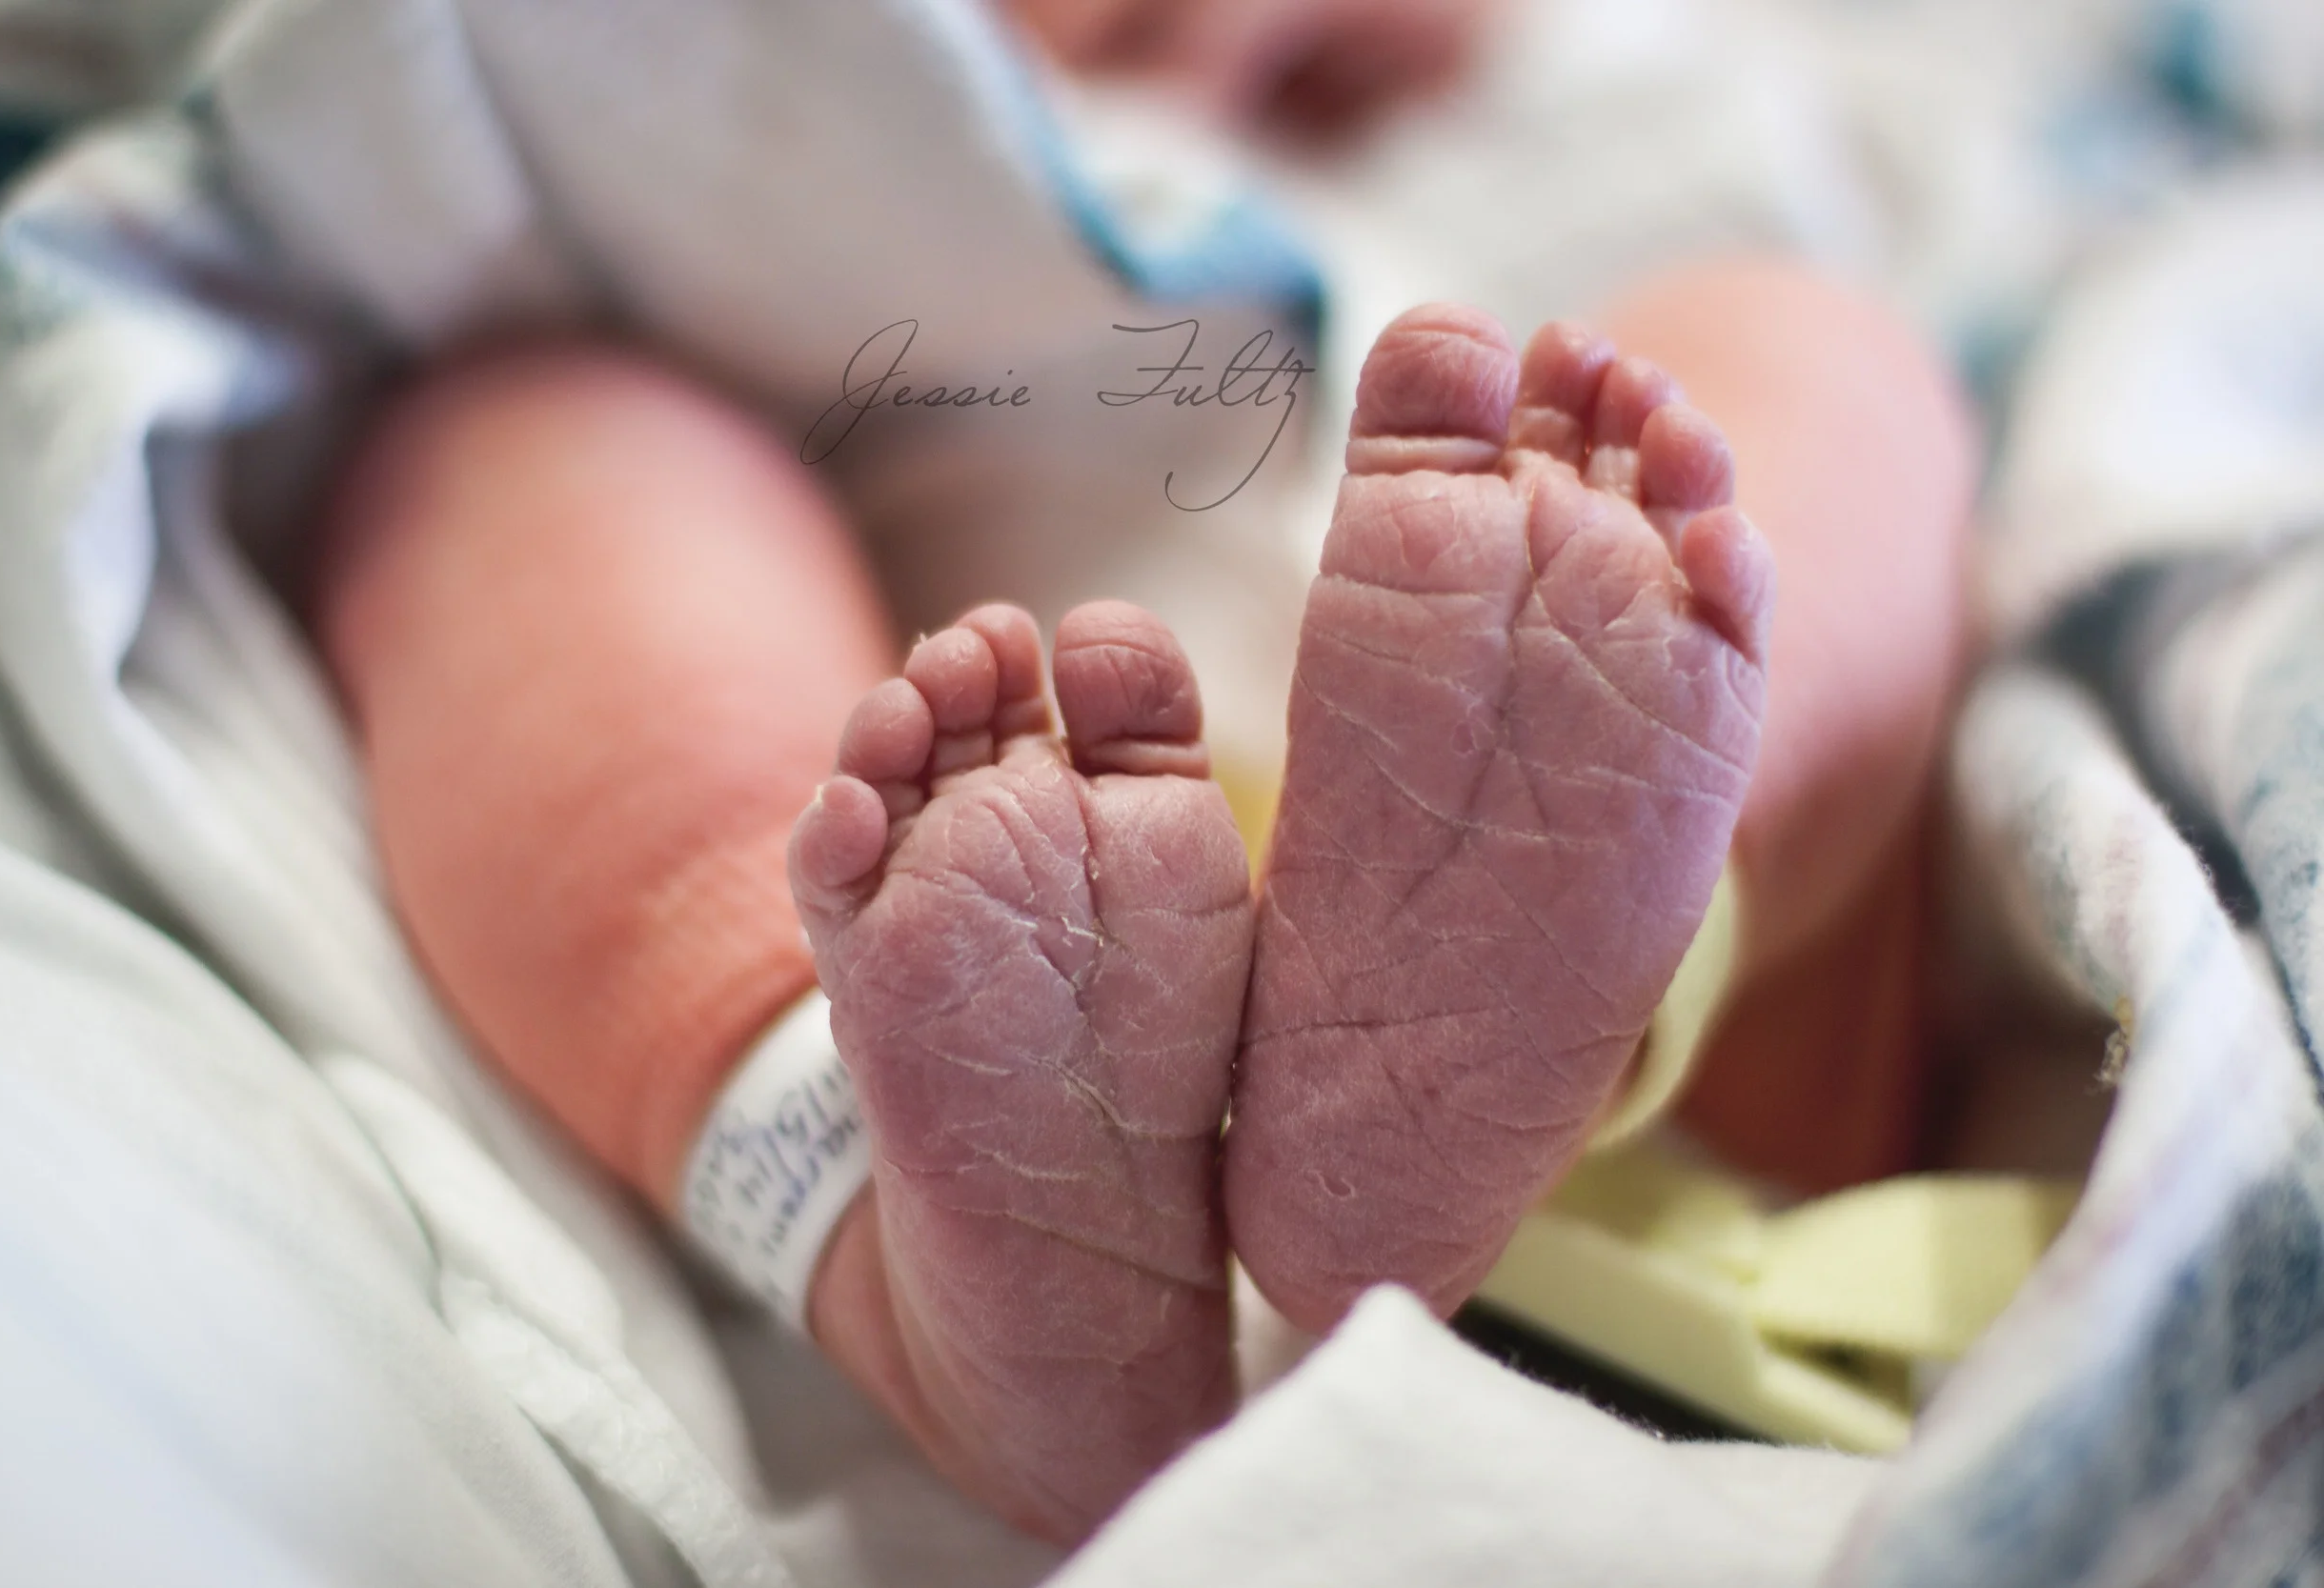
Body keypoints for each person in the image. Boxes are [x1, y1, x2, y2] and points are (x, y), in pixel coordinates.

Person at [309, 0, 1977, 1549]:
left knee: (1800, 359)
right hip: (1009, 956)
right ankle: (895, 1224)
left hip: (1578, 804)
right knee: (524, 455)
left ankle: (1601, 932)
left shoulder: (1525, 136)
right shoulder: (678, 168)